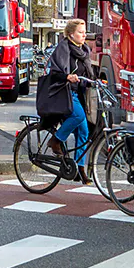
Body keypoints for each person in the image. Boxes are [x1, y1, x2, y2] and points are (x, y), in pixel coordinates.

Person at [45, 19, 94, 184]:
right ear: (71, 34)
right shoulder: (63, 48)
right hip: (63, 93)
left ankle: (80, 169)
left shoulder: (84, 50)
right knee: (78, 117)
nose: (84, 34)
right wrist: (67, 76)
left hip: (77, 94)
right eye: (80, 32)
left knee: (84, 132)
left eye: (84, 31)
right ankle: (56, 140)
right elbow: (53, 73)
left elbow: (87, 74)